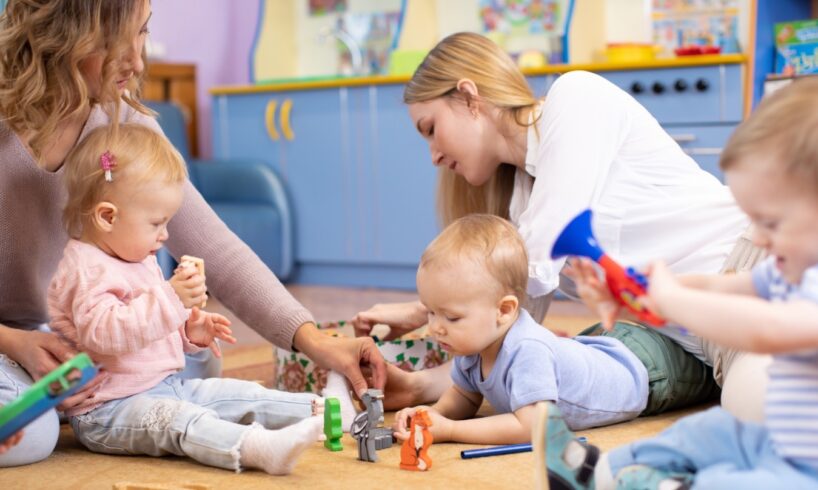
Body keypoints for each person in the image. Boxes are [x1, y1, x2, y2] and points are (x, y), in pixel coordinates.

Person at [0, 0, 384, 467]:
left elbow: (217, 249)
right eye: (116, 41)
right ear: (64, 34)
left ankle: (91, 405)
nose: (138, 61)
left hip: (73, 341)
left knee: (200, 356)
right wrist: (13, 342)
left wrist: (317, 342)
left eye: (143, 33)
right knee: (31, 435)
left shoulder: (124, 129)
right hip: (13, 340)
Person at [352, 32, 767, 415]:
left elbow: (542, 255)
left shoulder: (576, 98)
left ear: (468, 97)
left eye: (431, 129)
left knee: (760, 408)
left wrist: (427, 309)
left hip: (751, 273)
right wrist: (419, 385)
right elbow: (502, 339)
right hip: (697, 344)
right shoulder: (520, 206)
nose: (434, 156)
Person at [538, 77, 818, 490]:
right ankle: (595, 473)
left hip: (806, 469)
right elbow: (722, 289)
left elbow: (762, 328)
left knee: (728, 481)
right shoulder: (787, 269)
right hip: (778, 438)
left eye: (771, 223)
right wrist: (638, 295)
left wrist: (670, 299)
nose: (756, 238)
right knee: (703, 433)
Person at [49, 123, 332, 474]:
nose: (166, 235)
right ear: (107, 216)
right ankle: (254, 447)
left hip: (164, 385)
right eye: (156, 223)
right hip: (109, 409)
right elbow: (104, 334)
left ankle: (322, 410)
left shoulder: (137, 257)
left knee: (233, 393)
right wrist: (171, 299)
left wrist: (187, 333)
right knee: (185, 421)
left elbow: (148, 330)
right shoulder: (85, 266)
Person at [392, 214, 715, 446]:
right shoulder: (470, 346)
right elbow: (465, 395)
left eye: (450, 317)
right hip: (606, 345)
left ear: (504, 311)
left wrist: (449, 431)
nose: (435, 328)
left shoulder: (525, 349)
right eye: (431, 312)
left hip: (648, 373)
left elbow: (533, 427)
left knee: (714, 376)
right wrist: (431, 414)